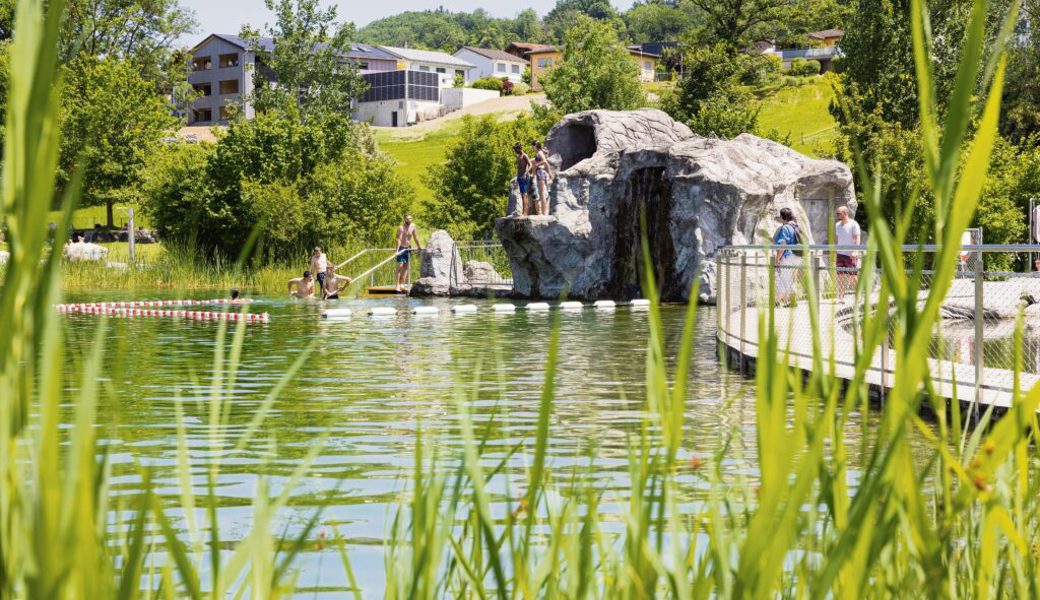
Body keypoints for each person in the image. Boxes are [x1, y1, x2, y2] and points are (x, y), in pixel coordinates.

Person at [773, 207, 803, 306]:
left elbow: (782, 245)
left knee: (786, 278)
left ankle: (786, 300)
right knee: (787, 278)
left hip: (788, 256)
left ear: (782, 217)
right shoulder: (796, 226)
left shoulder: (785, 228)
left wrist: (777, 258)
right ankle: (783, 300)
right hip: (798, 256)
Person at [834, 206, 862, 299]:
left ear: (846, 213)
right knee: (840, 276)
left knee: (852, 277)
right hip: (840, 254)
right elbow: (837, 238)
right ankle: (841, 298)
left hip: (850, 254)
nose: (837, 215)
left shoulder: (853, 224)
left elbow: (857, 237)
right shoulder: (837, 225)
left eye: (839, 213)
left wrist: (855, 251)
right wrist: (835, 249)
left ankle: (859, 295)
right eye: (837, 213)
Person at [394, 214, 423, 292]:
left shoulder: (413, 226)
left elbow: (415, 236)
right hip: (401, 248)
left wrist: (419, 246)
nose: (409, 220)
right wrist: (396, 251)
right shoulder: (401, 228)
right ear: (404, 219)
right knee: (400, 266)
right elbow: (398, 240)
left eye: (410, 218)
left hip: (408, 248)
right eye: (408, 219)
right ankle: (397, 285)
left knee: (406, 266)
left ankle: (402, 284)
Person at [532, 140, 553, 216]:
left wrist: (536, 165)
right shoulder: (540, 152)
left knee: (542, 193)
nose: (531, 147)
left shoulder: (539, 152)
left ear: (535, 146)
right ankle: (545, 211)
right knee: (542, 193)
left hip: (540, 172)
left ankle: (544, 212)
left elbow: (544, 161)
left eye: (532, 146)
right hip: (540, 172)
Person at [513, 142, 533, 216]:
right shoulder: (518, 157)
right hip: (519, 176)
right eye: (515, 149)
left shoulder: (525, 156)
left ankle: (525, 213)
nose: (515, 150)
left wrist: (525, 173)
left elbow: (530, 165)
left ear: (520, 148)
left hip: (524, 176)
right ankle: (523, 212)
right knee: (522, 194)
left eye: (516, 148)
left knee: (525, 194)